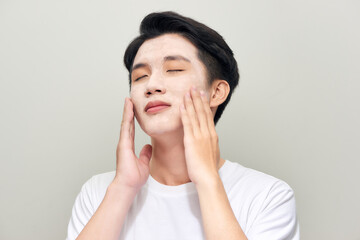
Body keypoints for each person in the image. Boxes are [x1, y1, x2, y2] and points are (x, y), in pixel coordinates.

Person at [66, 11, 299, 240]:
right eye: (139, 77)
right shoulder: (98, 192)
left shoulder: (267, 196)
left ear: (217, 92)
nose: (152, 85)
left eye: (174, 70)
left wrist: (207, 180)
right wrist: (122, 189)